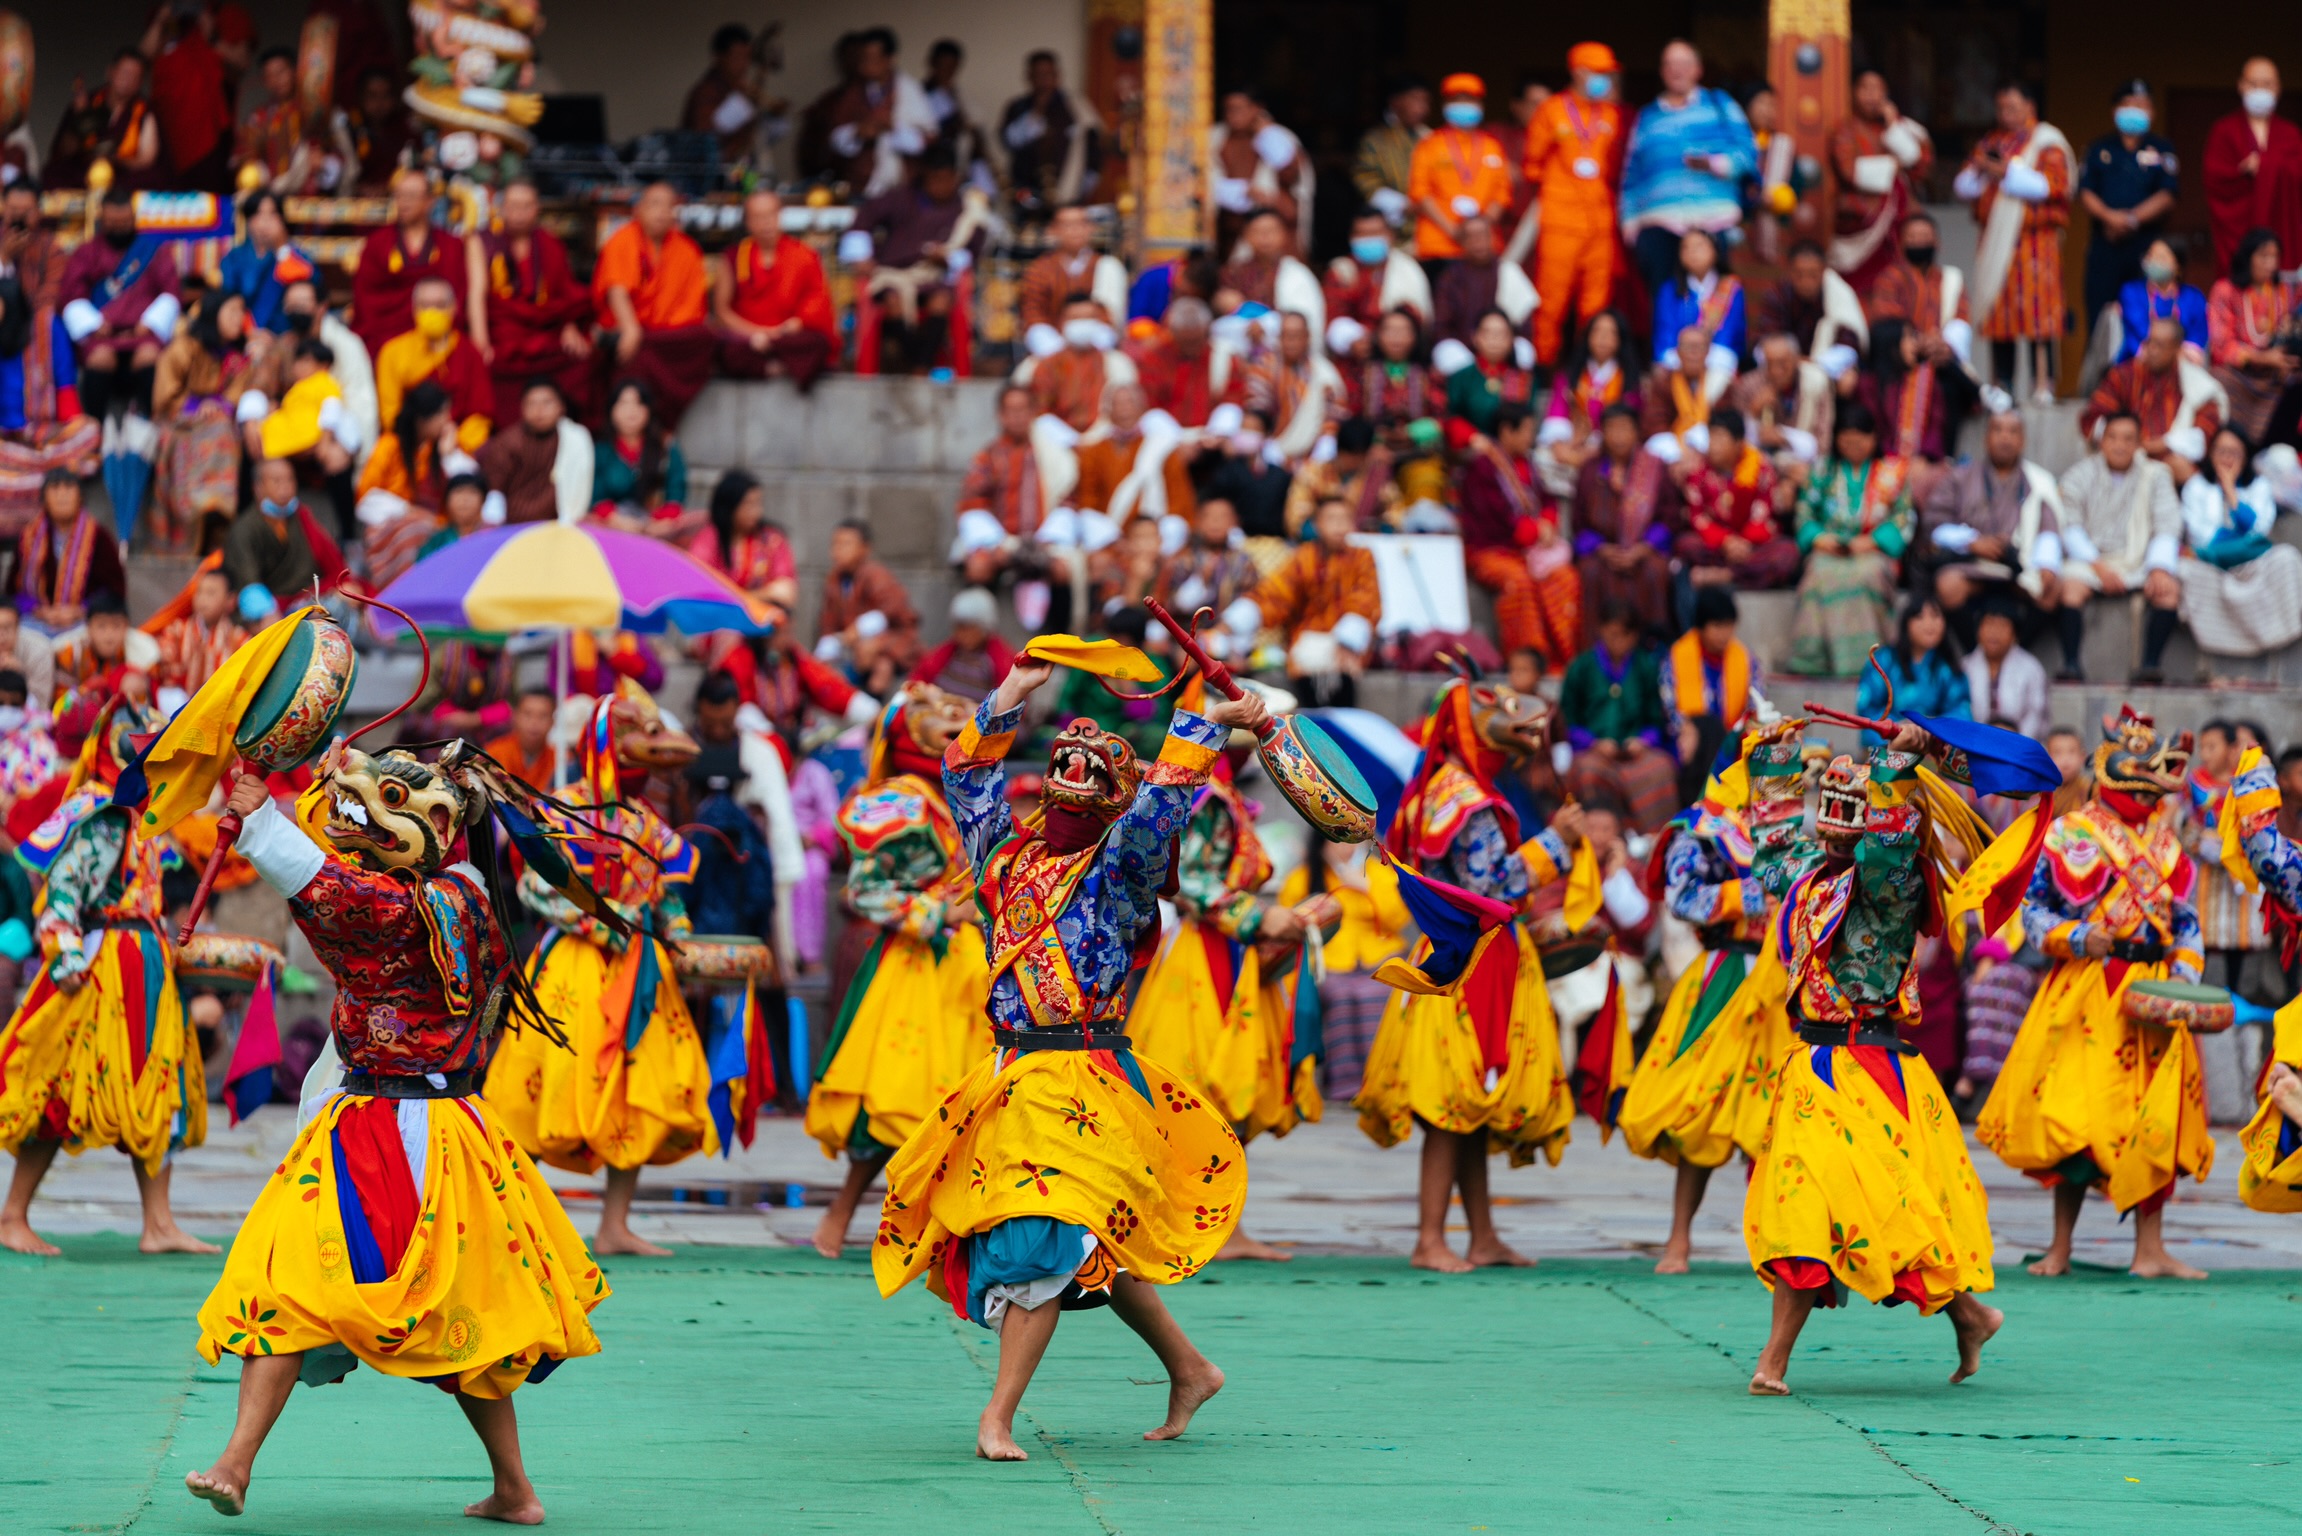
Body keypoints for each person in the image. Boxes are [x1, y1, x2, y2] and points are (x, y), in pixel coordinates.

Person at [183, 735, 609, 1521]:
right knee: (284, 1285)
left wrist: (265, 825)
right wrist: (299, 785)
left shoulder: (437, 903)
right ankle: (234, 1464)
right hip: (376, 1122)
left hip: (415, 1132)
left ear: (442, 823)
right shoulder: (452, 890)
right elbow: (344, 869)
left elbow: (349, 902)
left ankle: (514, 1488)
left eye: (395, 800)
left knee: (464, 1320)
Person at [872, 658, 1254, 1460]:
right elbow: (968, 776)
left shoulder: (1118, 872)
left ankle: (998, 1416)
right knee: (1083, 1239)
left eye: (1095, 772)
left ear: (1114, 798)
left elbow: (1156, 815)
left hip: (1086, 1075)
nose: (1075, 774)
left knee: (1043, 1236)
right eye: (1064, 767)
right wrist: (1012, 694)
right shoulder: (1004, 861)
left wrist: (1207, 722)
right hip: (1012, 1076)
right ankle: (1190, 1367)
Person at [1741, 717, 2007, 1394]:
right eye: (1826, 813)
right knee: (1805, 1208)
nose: (1828, 828)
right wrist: (1772, 756)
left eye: (1846, 815)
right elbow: (1772, 850)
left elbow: (1887, 852)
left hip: (1872, 1070)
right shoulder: (1810, 869)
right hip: (1813, 1068)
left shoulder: (1893, 887)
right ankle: (1776, 1362)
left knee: (1886, 1218)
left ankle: (1968, 1314)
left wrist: (1894, 763)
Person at [1356, 676, 1585, 1269]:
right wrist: (1553, 845)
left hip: (1468, 952)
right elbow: (1488, 886)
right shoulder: (1465, 797)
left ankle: (1481, 1234)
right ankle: (1430, 1238)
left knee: (1472, 1099)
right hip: (1471, 960)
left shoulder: (1446, 788)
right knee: (1452, 1102)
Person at [1977, 707, 2210, 1281]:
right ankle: (2060, 1245)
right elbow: (2032, 912)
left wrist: (2185, 972)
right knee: (2076, 1121)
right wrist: (2077, 936)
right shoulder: (2069, 832)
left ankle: (2149, 1250)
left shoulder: (2166, 840)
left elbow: (2185, 920)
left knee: (2153, 1119)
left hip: (2152, 992)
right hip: (2085, 991)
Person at [486, 682, 716, 1256]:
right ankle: (505, 1217)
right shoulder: (564, 804)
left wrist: (681, 934)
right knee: (545, 1088)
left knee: (639, 1088)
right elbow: (535, 885)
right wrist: (603, 924)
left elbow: (667, 893)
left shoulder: (645, 821)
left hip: (639, 971)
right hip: (573, 967)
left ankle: (615, 1224)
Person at [0, 691, 207, 1258]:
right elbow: (62, 892)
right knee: (59, 1091)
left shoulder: (145, 818)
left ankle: (158, 1223)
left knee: (157, 1087)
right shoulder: (101, 816)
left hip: (145, 971)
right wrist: (64, 956)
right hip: (98, 971)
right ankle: (12, 1215)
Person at [1130, 682, 1332, 1261]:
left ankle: (1219, 1223)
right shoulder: (1208, 797)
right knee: (1205, 1087)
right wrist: (1256, 919)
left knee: (1222, 1090)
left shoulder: (1222, 793)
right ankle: (1198, 1223)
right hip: (1208, 952)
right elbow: (1192, 884)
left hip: (1225, 952)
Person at [806, 683, 989, 1256]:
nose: (956, 722)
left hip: (961, 966)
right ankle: (840, 1215)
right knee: (897, 1099)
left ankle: (939, 1231)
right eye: (938, 716)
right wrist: (943, 911)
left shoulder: (956, 794)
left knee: (964, 1106)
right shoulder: (901, 801)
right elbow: (865, 891)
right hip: (914, 970)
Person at [1616, 734, 1785, 1271]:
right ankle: (1678, 1240)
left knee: (1778, 1116)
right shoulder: (1701, 827)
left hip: (1780, 979)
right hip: (1726, 974)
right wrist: (1751, 896)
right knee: (1702, 1106)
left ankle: (1780, 1245)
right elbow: (1683, 897)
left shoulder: (1787, 827)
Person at [1955, 82, 2073, 404]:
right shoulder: (1991, 142)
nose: (2006, 114)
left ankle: (2043, 383)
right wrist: (1983, 170)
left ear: (2030, 107)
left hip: (2036, 242)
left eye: (2013, 107)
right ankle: (2003, 386)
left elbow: (2049, 187)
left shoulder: (2047, 142)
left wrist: (2004, 170)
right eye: (2001, 108)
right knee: (1999, 314)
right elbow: (1964, 186)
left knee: (2041, 315)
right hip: (1996, 244)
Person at [1618, 40, 1757, 300]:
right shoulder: (1647, 117)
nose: (1676, 70)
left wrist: (1715, 164)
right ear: (1661, 72)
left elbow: (1748, 154)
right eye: (1669, 65)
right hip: (1657, 226)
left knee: (1716, 303)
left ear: (1698, 70)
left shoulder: (1720, 104)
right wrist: (1630, 226)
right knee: (1662, 306)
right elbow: (1630, 174)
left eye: (1683, 64)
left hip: (1713, 221)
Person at [2053, 411, 2183, 683]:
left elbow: (2168, 524)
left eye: (2127, 439)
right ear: (2102, 441)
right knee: (2069, 588)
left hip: (2139, 561)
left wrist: (2159, 567)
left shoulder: (2156, 475)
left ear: (2139, 443)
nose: (2119, 445)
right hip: (2091, 561)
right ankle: (2072, 665)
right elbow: (2069, 526)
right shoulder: (2079, 475)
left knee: (2168, 590)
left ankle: (2150, 667)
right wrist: (2098, 566)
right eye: (2112, 437)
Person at [1785, 401, 1913, 677]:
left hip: (1872, 550)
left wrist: (1872, 542)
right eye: (1846, 440)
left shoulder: (1891, 473)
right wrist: (1819, 538)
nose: (1853, 446)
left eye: (1860, 439)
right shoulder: (1822, 471)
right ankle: (1814, 660)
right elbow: (1805, 511)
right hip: (1829, 550)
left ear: (1873, 438)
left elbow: (1904, 517)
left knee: (1869, 573)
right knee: (1818, 572)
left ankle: (1870, 660)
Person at [1278, 839, 1408, 1104]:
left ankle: (1378, 1080)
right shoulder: (1303, 877)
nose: (1344, 848)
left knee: (1375, 993)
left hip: (1375, 956)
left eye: (1352, 840)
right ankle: (1346, 1082)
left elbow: (1399, 918)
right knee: (1341, 997)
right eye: (1335, 840)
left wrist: (1367, 889)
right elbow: (1290, 923)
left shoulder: (1378, 873)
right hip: (1329, 961)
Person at [847, 146, 992, 376]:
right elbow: (863, 219)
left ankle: (919, 366)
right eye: (935, 179)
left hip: (933, 276)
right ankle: (920, 365)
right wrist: (862, 257)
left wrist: (947, 257)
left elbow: (971, 253)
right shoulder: (899, 198)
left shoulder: (966, 211)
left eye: (946, 179)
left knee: (941, 301)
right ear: (925, 176)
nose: (940, 185)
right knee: (893, 301)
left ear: (956, 178)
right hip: (892, 275)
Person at [1522, 43, 1622, 366]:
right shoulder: (1550, 110)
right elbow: (1532, 165)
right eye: (1600, 73)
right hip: (1561, 222)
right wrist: (1565, 182)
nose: (1606, 79)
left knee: (1595, 305)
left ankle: (1587, 372)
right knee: (1551, 304)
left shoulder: (1610, 113)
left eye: (1608, 74)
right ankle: (1544, 370)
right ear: (1579, 72)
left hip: (1599, 223)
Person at [1921, 406, 2063, 633]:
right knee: (1948, 586)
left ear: (2022, 440)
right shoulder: (1960, 477)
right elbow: (1935, 521)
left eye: (2012, 432)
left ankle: (2015, 651)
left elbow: (2049, 526)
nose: (2005, 438)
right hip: (1973, 562)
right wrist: (1973, 542)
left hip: (2020, 564)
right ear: (1986, 438)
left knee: (2051, 591)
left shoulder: (2038, 481)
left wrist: (2046, 563)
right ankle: (1973, 656)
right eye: (1997, 430)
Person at [469, 179, 595, 427]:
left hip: (544, 330)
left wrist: (569, 327)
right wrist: (481, 343)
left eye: (526, 206)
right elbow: (477, 293)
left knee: (584, 359)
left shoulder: (550, 244)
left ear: (537, 210)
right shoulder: (482, 241)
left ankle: (564, 426)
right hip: (502, 333)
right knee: (483, 366)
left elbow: (564, 296)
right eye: (513, 206)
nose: (519, 213)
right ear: (501, 208)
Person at [1461, 403, 1579, 668]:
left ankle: (1563, 661)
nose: (1530, 437)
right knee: (1519, 583)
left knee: (1564, 578)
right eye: (1526, 431)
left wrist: (1547, 523)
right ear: (1506, 431)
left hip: (1528, 549)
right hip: (1490, 549)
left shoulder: (1527, 464)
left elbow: (1547, 499)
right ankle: (1527, 665)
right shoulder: (1482, 467)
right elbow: (1493, 518)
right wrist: (1536, 531)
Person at [591, 182, 715, 429]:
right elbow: (617, 290)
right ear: (638, 210)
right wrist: (631, 327)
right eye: (654, 205)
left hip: (664, 334)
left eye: (668, 207)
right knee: (629, 351)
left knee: (704, 338)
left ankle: (661, 422)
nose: (661, 212)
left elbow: (692, 307)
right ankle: (629, 425)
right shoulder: (623, 241)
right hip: (630, 329)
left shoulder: (687, 250)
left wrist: (650, 330)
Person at [59, 186, 180, 431]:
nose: (119, 227)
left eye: (124, 222)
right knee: (100, 359)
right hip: (101, 336)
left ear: (134, 218)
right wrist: (93, 324)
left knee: (149, 356)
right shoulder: (87, 252)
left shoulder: (154, 250)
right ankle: (95, 433)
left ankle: (152, 430)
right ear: (102, 219)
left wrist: (150, 322)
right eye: (112, 222)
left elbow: (171, 292)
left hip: (143, 334)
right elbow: (71, 294)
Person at [2178, 423, 2302, 659]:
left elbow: (2259, 530)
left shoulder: (2259, 486)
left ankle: (2275, 633)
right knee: (2185, 569)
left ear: (2245, 457)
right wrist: (2235, 544)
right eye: (2221, 451)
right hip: (2212, 565)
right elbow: (2200, 537)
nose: (2227, 459)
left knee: (2287, 558)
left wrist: (2231, 494)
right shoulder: (2196, 487)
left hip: (2251, 563)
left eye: (2234, 453)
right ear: (2211, 454)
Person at [1560, 602, 1676, 833]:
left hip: (1636, 755)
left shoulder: (1646, 666)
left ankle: (1653, 842)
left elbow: (1656, 719)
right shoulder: (1581, 668)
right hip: (1596, 753)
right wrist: (1593, 743)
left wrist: (1644, 741)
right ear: (1601, 630)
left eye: (1625, 635)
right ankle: (1602, 837)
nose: (1619, 641)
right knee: (1586, 771)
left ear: (1634, 637)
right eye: (1613, 634)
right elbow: (1568, 721)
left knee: (1661, 767)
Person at [1255, 496, 1380, 707]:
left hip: (1346, 645)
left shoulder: (1362, 557)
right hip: (1307, 638)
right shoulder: (1302, 558)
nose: (1339, 526)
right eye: (1331, 519)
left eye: (1344, 519)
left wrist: (1348, 641)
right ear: (1317, 524)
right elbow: (1277, 594)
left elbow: (1367, 600)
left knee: (1345, 668)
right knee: (1305, 663)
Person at [2078, 81, 2181, 335]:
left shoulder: (2162, 149)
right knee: (2100, 323)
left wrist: (2131, 219)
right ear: (2115, 110)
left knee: (2147, 321)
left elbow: (2167, 194)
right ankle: (2103, 375)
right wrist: (2110, 218)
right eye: (2130, 105)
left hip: (2146, 248)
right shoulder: (2098, 149)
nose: (2136, 110)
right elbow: (2085, 191)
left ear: (2152, 112)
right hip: (2105, 246)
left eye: (2143, 105)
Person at [712, 187, 836, 390]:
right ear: (748, 222)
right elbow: (722, 311)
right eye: (758, 217)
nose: (766, 223)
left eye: (771, 215)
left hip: (787, 336)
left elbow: (817, 301)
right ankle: (780, 369)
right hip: (748, 338)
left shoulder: (803, 255)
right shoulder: (734, 257)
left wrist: (796, 324)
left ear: (780, 216)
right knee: (723, 348)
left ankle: (770, 367)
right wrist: (756, 334)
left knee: (817, 344)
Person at [1575, 405, 1676, 645]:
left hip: (1643, 550)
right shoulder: (1590, 471)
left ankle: (1652, 647)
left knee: (1655, 572)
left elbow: (1669, 517)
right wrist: (1602, 549)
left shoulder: (1654, 468)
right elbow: (1579, 524)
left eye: (1624, 429)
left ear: (1636, 432)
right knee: (1590, 573)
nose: (1618, 436)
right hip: (1604, 552)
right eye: (1612, 429)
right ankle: (1596, 649)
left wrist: (1643, 548)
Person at [796, 26, 934, 199]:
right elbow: (834, 139)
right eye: (862, 59)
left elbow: (925, 140)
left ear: (889, 59)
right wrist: (858, 132)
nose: (864, 65)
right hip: (861, 188)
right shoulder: (852, 92)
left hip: (903, 188)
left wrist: (892, 127)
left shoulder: (909, 91)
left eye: (872, 59)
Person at [1829, 70, 1935, 292]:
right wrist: (1894, 164)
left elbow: (1921, 164)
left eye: (1877, 89)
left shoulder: (1901, 126)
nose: (1871, 95)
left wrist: (1893, 126)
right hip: (1863, 220)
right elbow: (1851, 171)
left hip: (1899, 223)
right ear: (1853, 93)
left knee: (1897, 285)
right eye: (1865, 89)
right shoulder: (1845, 129)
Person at [1674, 407, 1798, 590]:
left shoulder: (1761, 468)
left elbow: (1763, 514)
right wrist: (1726, 542)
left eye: (1721, 438)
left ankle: (1726, 575)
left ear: (1739, 443)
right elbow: (1697, 517)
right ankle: (1745, 574)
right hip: (1717, 546)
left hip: (1752, 545)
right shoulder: (1697, 471)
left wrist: (1744, 543)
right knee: (1685, 544)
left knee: (1788, 552)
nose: (1714, 446)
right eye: (1711, 438)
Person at [348, 169, 464, 360]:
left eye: (411, 196)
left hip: (437, 334)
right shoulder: (377, 244)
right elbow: (365, 298)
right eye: (399, 196)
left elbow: (458, 294)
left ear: (430, 201)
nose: (404, 203)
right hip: (386, 338)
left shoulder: (450, 245)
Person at [2203, 58, 2302, 274]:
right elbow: (2215, 179)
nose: (2260, 91)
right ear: (2240, 85)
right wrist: (2243, 172)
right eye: (2253, 84)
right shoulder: (2223, 130)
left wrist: (2265, 165)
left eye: (2267, 84)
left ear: (2278, 88)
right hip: (2239, 227)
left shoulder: (2291, 134)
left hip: (2280, 227)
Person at [2206, 229, 2302, 445]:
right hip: (2239, 373)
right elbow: (2221, 346)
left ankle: (2280, 446)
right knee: (2219, 378)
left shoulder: (2286, 291)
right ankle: (2238, 449)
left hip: (2277, 372)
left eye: (2275, 257)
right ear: (2247, 257)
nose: (2271, 264)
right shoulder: (2225, 290)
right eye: (2263, 256)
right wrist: (2262, 358)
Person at [2081, 313, 2225, 457]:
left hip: (2171, 459)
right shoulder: (2124, 375)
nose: (2152, 350)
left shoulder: (2196, 382)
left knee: (2181, 467)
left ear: (2176, 349)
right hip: (2126, 457)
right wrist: (2124, 442)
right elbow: (2094, 416)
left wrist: (2165, 444)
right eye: (2150, 342)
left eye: (2160, 345)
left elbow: (2204, 431)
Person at [374, 276, 491, 451]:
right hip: (410, 447)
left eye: (440, 305)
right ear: (414, 309)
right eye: (425, 306)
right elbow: (390, 414)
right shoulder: (392, 353)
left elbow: (481, 413)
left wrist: (459, 442)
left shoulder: (468, 353)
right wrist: (418, 441)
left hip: (456, 446)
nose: (432, 312)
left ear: (454, 308)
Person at [1409, 75, 1511, 268]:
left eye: (1470, 100)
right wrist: (1454, 231)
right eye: (1457, 100)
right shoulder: (1429, 145)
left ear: (1480, 105)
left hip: (1483, 248)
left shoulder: (1492, 146)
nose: (1464, 105)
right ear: (1446, 105)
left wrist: (1477, 233)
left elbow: (1502, 193)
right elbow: (1420, 193)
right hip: (1438, 246)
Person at [222, 457, 347, 602]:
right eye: (276, 481)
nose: (285, 487)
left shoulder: (302, 517)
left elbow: (332, 563)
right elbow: (249, 587)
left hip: (312, 596)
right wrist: (265, 610)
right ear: (258, 487)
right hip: (273, 606)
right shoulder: (244, 529)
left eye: (290, 480)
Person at [995, 49, 1104, 214]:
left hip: (1068, 193)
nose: (1044, 80)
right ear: (1029, 76)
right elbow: (1008, 141)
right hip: (1027, 193)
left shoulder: (1075, 107)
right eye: (1039, 74)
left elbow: (1096, 144)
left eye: (1049, 74)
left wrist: (1083, 188)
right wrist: (1036, 113)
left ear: (1057, 75)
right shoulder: (1018, 107)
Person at [1072, 381, 1195, 527]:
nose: (1124, 409)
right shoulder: (1093, 452)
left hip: (1152, 531)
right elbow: (1089, 501)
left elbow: (1179, 499)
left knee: (1174, 526)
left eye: (1129, 402)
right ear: (1107, 411)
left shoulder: (1161, 448)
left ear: (1142, 408)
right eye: (1117, 404)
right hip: (1109, 530)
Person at [1207, 88, 1312, 258]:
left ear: (1257, 108)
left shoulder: (1278, 137)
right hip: (1230, 227)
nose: (1233, 115)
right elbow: (1202, 180)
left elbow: (1292, 176)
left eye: (1239, 109)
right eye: (1229, 109)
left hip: (1274, 216)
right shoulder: (1215, 139)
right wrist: (1242, 191)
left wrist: (1268, 135)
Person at [16, 469, 123, 636]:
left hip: (84, 622)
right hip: (36, 621)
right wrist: (39, 611)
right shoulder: (28, 537)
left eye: (68, 488)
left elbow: (114, 590)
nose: (62, 495)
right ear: (44, 498)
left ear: (80, 496)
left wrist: (78, 611)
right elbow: (13, 591)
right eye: (55, 488)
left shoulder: (99, 537)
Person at [1154, 497, 1262, 660]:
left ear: (1234, 523)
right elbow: (1172, 605)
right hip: (1186, 637)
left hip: (1228, 637)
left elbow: (1253, 601)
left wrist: (1226, 629)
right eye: (1209, 517)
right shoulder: (1184, 560)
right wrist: (1200, 582)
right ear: (1198, 522)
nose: (1215, 522)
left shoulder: (1243, 562)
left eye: (1222, 517)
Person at [1853, 597, 1972, 744]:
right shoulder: (1884, 660)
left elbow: (1962, 712)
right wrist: (1899, 728)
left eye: (1935, 615)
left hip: (1933, 745)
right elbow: (1867, 709)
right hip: (1891, 741)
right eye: (1919, 616)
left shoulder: (1948, 666)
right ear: (1906, 623)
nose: (1929, 624)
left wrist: (1929, 726)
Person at [1540, 310, 1639, 485]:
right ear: (1588, 336)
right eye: (1598, 332)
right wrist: (1561, 446)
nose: (1603, 338)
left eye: (1610, 333)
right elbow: (1557, 412)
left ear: (1619, 340)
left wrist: (1596, 449)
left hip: (1610, 449)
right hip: (1571, 443)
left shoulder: (1628, 380)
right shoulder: (1571, 375)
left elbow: (1627, 425)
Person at [1867, 211, 1974, 372]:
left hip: (1942, 354)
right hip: (1902, 358)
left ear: (1937, 242)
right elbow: (1886, 317)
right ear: (1901, 244)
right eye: (1912, 237)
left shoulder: (1951, 279)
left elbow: (1961, 318)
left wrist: (1942, 344)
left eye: (1924, 236)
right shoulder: (1890, 278)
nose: (1918, 242)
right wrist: (1920, 341)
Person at [818, 519, 920, 683]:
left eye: (846, 544)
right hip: (851, 647)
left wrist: (860, 629)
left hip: (891, 642)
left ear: (865, 548)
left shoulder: (876, 575)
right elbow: (828, 622)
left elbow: (895, 610)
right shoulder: (834, 580)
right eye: (835, 544)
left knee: (879, 666)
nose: (838, 550)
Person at [476, 378, 587, 526]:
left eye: (547, 403)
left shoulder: (574, 439)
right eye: (532, 404)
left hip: (559, 526)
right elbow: (494, 493)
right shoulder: (508, 442)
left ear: (561, 407)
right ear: (521, 408)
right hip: (511, 525)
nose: (539, 410)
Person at [47, 48, 161, 190]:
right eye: (125, 72)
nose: (128, 80)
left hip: (123, 175)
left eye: (135, 76)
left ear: (140, 83)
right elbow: (65, 151)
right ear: (110, 72)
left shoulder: (144, 110)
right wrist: (81, 116)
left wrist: (116, 161)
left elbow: (147, 159)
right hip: (84, 171)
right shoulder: (88, 102)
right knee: (56, 173)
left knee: (150, 179)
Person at [1726, 331, 1835, 477]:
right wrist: (1753, 412)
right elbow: (1737, 444)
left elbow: (1823, 443)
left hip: (1805, 467)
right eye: (1769, 364)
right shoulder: (1747, 385)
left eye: (1783, 363)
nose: (1776, 371)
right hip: (1762, 468)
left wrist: (1784, 437)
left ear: (1797, 359)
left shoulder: (1816, 382)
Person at [1019, 293, 1133, 432]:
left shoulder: (1118, 364)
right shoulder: (1039, 366)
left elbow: (1128, 410)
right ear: (1061, 322)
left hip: (1105, 437)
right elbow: (1033, 411)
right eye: (1076, 318)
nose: (1083, 324)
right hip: (1056, 439)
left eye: (1088, 318)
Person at [1244, 312, 1343, 468]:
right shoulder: (1264, 366)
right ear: (1279, 338)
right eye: (1287, 336)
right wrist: (1265, 443)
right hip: (1269, 451)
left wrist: (1326, 439)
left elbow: (1335, 411)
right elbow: (1257, 407)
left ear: (1307, 337)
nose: (1291, 342)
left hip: (1311, 455)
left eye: (1296, 336)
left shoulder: (1323, 372)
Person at [691, 468, 799, 610]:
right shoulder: (709, 539)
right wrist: (759, 595)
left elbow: (786, 592)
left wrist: (738, 598)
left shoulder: (771, 539)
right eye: (748, 504)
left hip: (763, 624)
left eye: (758, 503)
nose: (756, 512)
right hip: (719, 621)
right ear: (729, 506)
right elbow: (697, 588)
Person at [591, 379, 689, 532]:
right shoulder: (601, 450)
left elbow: (676, 490)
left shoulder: (666, 446)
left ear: (649, 410)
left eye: (638, 403)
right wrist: (617, 520)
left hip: (658, 526)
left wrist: (662, 521)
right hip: (614, 526)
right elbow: (596, 496)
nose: (631, 410)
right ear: (612, 410)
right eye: (623, 403)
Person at [1324, 206, 1435, 337]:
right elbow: (1333, 320)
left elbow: (1418, 319)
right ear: (1351, 238)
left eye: (1375, 233)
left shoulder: (1408, 270)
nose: (1368, 239)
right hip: (1354, 350)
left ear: (1390, 235)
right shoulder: (1342, 271)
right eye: (1362, 234)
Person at [1130, 297, 1238, 429]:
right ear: (1173, 334)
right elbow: (1148, 402)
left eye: (1195, 341)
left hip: (1210, 435)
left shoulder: (1223, 357)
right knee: (1153, 418)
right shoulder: (1155, 358)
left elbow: (1234, 397)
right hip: (1168, 434)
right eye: (1185, 342)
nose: (1190, 348)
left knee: (1230, 412)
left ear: (1206, 333)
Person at [216, 191, 312, 336]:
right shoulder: (235, 257)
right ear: (248, 220)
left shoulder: (294, 254)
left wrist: (282, 249)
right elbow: (228, 296)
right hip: (246, 333)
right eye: (259, 214)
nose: (266, 221)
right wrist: (250, 331)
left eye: (273, 214)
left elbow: (311, 284)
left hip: (289, 335)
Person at [1860, 317, 1954, 465]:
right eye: (1909, 337)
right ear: (1891, 344)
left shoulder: (1927, 381)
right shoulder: (1869, 385)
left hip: (1921, 462)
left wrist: (1924, 456)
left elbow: (1937, 425)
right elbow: (1872, 432)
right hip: (1879, 464)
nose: (1915, 344)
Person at [1219, 207, 1324, 337]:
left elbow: (1307, 320)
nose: (1265, 237)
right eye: (1257, 231)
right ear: (1246, 236)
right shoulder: (1233, 273)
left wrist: (1267, 326)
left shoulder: (1297, 274)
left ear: (1284, 234)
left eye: (1271, 231)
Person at [1432, 218, 1534, 350]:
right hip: (1462, 350)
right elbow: (1441, 326)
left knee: (1524, 350)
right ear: (1462, 242)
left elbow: (1524, 321)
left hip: (1503, 347)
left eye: (1482, 235)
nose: (1478, 242)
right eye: (1471, 237)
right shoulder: (1451, 277)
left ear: (1492, 238)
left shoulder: (1508, 271)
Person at [1963, 593, 2052, 741]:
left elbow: (2035, 715)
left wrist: (2013, 748)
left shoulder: (2031, 668)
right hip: (1973, 746)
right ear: (1978, 630)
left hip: (2019, 747)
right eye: (1989, 624)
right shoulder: (1965, 666)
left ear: (2014, 634)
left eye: (2003, 626)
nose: (1994, 632)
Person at [1441, 308, 1535, 445]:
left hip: (1511, 453)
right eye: (1488, 333)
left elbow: (1527, 422)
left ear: (1512, 339)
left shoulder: (1523, 378)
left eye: (1501, 334)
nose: (1495, 340)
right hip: (1470, 451)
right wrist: (1471, 437)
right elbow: (1450, 417)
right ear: (1475, 337)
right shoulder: (1460, 377)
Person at [1652, 229, 1745, 363]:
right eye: (1686, 247)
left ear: (1715, 250)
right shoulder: (1669, 290)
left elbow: (1730, 335)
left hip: (1718, 360)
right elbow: (1665, 334)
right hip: (1679, 361)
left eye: (1699, 246)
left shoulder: (1732, 288)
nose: (1692, 252)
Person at [2112, 237, 2208, 366]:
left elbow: (2198, 336)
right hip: (2138, 362)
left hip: (2183, 364)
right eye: (2151, 255)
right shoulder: (2132, 291)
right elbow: (2138, 330)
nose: (2154, 261)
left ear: (2178, 267)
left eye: (2161, 258)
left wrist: (2178, 356)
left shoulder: (2193, 297)